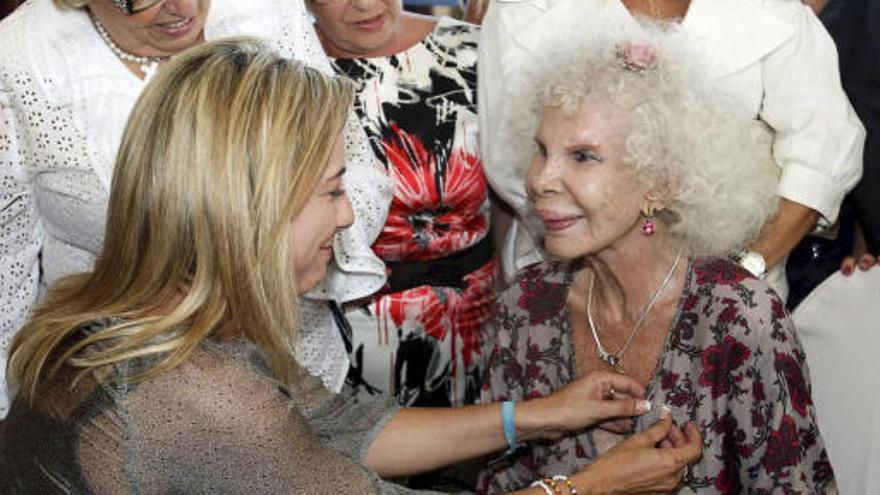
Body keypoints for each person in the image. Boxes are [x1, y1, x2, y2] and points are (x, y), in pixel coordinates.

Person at [0, 39, 703, 494]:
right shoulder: (197, 399)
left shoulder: (143, 313)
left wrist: (540, 415)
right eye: (334, 191)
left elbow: (339, 425)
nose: (347, 219)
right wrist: (595, 485)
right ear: (251, 208)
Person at [477, 31, 836, 494]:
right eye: (542, 150)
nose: (540, 179)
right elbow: (498, 484)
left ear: (661, 184)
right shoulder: (526, 305)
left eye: (583, 156)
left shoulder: (739, 319)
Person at [0, 0, 387, 417]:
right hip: (122, 389)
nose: (182, 6)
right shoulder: (22, 59)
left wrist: (297, 252)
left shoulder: (267, 10)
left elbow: (355, 172)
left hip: (291, 361)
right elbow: (6, 269)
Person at [478, 0, 864, 304]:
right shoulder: (524, 9)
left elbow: (821, 159)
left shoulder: (776, 15)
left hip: (733, 304)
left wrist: (740, 274)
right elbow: (513, 158)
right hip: (567, 292)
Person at [307, 0, 494, 407]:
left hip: (481, 319)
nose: (366, 3)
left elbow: (517, 193)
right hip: (344, 334)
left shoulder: (471, 50)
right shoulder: (287, 72)